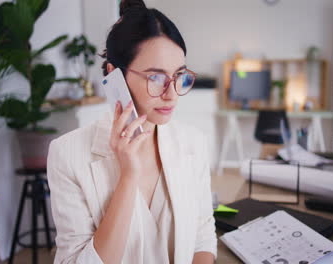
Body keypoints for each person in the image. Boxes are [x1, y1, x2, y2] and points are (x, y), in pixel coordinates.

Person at [46, 0, 217, 263]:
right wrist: (128, 176)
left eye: (179, 75)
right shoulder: (67, 154)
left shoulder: (193, 142)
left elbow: (202, 235)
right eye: (156, 77)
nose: (172, 95)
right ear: (115, 77)